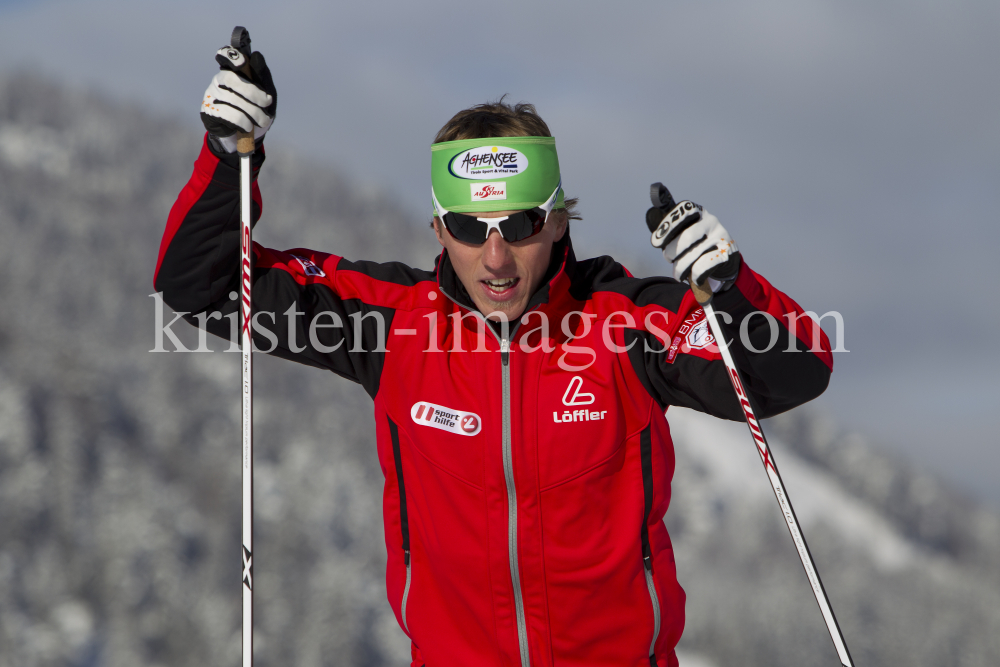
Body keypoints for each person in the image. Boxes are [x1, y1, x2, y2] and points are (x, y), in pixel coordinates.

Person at [155, 47, 833, 667]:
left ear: (560, 219)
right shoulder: (394, 324)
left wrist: (729, 288)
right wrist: (227, 155)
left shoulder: (623, 322)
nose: (496, 255)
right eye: (468, 229)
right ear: (437, 227)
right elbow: (201, 285)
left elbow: (793, 370)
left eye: (519, 223)